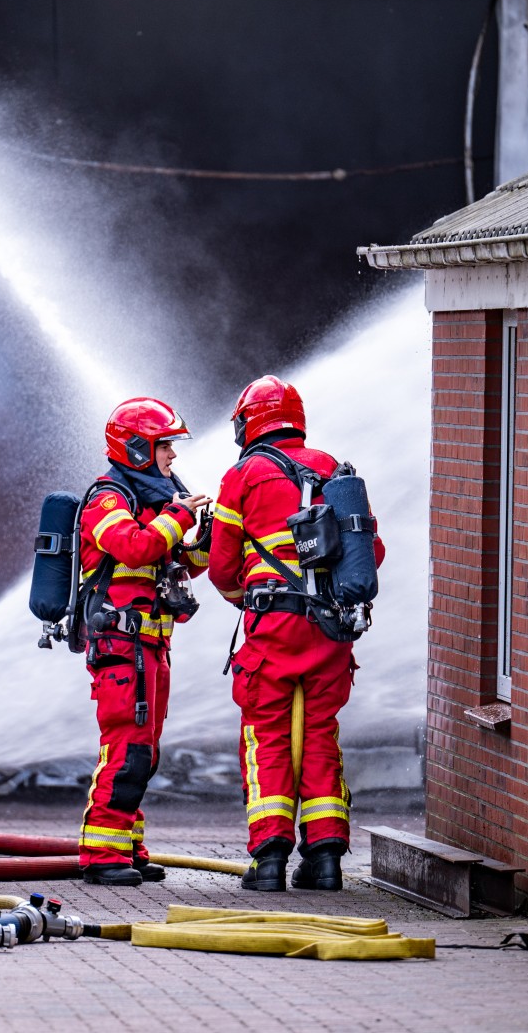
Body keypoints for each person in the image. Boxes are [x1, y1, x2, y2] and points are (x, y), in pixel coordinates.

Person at [208, 375, 384, 892]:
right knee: (320, 735)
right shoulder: (332, 469)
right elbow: (370, 551)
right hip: (330, 627)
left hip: (273, 627)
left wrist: (247, 594)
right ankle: (325, 861)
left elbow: (221, 568)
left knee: (268, 736)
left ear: (249, 424)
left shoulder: (242, 476)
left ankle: (269, 862)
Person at [73, 398, 209, 886]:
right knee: (126, 749)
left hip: (151, 647)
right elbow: (134, 547)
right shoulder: (108, 499)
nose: (172, 455)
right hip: (120, 647)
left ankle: (127, 847)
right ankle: (101, 854)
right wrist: (177, 516)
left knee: (145, 753)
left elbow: (182, 565)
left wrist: (206, 535)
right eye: (164, 445)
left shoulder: (154, 501)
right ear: (135, 448)